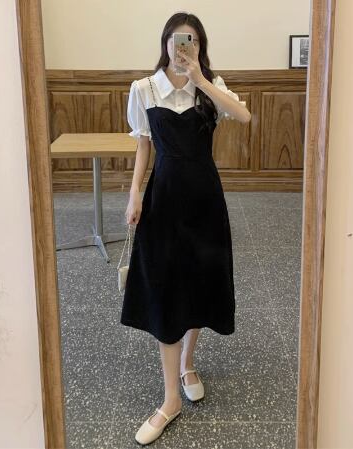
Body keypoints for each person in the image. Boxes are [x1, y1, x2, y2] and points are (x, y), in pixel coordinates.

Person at [120, 12, 251, 445]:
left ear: (200, 46)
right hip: (164, 199)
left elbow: (244, 116)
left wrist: (200, 78)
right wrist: (135, 194)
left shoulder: (211, 86)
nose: (183, 47)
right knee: (166, 288)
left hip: (205, 199)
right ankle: (170, 399)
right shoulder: (144, 88)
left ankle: (187, 363)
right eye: (178, 40)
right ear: (165, 42)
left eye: (191, 41)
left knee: (198, 282)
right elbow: (144, 145)